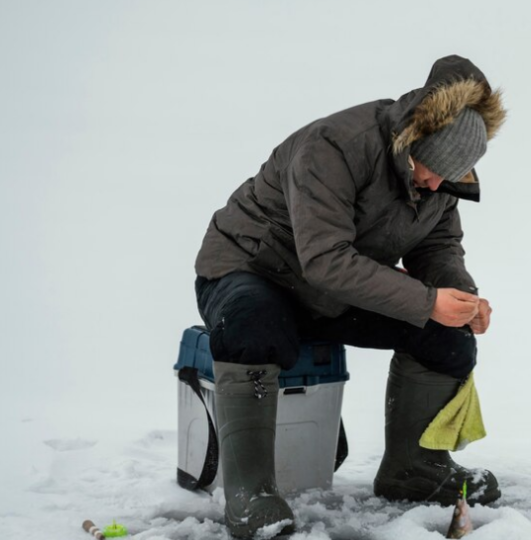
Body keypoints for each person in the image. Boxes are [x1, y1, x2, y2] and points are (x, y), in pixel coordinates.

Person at [193, 55, 506, 539]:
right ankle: (250, 492)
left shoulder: (440, 180)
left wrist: (460, 298)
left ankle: (413, 469)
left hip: (335, 292)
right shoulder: (335, 147)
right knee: (255, 326)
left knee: (448, 334)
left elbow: (438, 245)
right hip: (252, 271)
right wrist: (426, 300)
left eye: (451, 176)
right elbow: (324, 259)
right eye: (432, 170)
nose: (436, 184)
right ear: (412, 141)